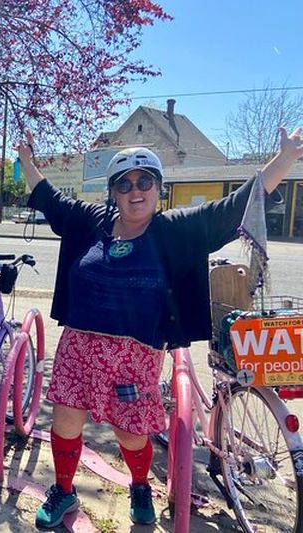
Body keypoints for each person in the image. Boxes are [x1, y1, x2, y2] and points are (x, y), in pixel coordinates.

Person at [16, 126, 303, 528]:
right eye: (125, 183)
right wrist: (27, 161)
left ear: (158, 188)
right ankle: (64, 491)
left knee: (131, 433)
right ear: (114, 192)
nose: (136, 190)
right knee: (65, 422)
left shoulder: (173, 230)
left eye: (145, 181)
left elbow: (233, 208)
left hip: (136, 355)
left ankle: (138, 485)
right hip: (79, 346)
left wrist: (286, 158)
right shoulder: (93, 222)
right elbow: (51, 199)